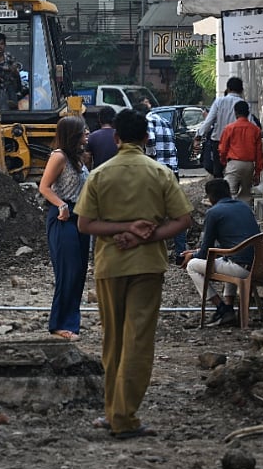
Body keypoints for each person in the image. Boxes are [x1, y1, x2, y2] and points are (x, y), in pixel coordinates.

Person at [75, 109, 192, 440]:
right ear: (145, 138)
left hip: (110, 266)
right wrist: (145, 234)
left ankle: (113, 412)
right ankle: (124, 418)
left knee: (112, 341)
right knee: (138, 341)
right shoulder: (160, 173)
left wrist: (122, 230)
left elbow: (85, 224)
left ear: (115, 138)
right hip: (148, 266)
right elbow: (183, 219)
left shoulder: (99, 174)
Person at [37, 116, 91, 341]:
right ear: (73, 134)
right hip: (63, 217)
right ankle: (60, 324)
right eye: (83, 131)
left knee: (78, 272)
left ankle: (72, 321)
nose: (87, 134)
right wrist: (60, 205)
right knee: (67, 272)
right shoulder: (58, 156)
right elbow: (44, 186)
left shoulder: (77, 158)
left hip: (80, 216)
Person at [180, 178, 261, 326]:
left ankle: (221, 308)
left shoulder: (214, 212)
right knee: (229, 258)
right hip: (258, 266)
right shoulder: (244, 207)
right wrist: (197, 251)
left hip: (240, 268)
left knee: (192, 265)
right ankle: (229, 308)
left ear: (210, 197)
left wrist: (192, 255)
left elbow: (205, 252)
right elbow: (235, 243)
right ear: (228, 192)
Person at [139, 104, 187, 262]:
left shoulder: (146, 121)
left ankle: (155, 253)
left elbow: (150, 141)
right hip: (172, 171)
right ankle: (181, 253)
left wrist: (148, 158)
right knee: (176, 213)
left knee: (153, 212)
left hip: (157, 173)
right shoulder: (165, 122)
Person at [196, 77, 246, 177]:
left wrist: (198, 136)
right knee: (235, 172)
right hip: (237, 143)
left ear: (228, 89)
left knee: (218, 172)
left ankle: (219, 190)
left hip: (218, 142)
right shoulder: (243, 104)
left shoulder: (219, 102)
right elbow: (250, 123)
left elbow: (208, 122)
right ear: (241, 90)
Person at [218, 100, 263, 204]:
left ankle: (230, 215)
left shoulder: (229, 128)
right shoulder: (255, 129)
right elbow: (259, 152)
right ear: (248, 113)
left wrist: (224, 161)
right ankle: (244, 215)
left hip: (234, 163)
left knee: (229, 192)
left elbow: (223, 148)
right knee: (246, 194)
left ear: (235, 113)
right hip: (249, 165)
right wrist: (257, 171)